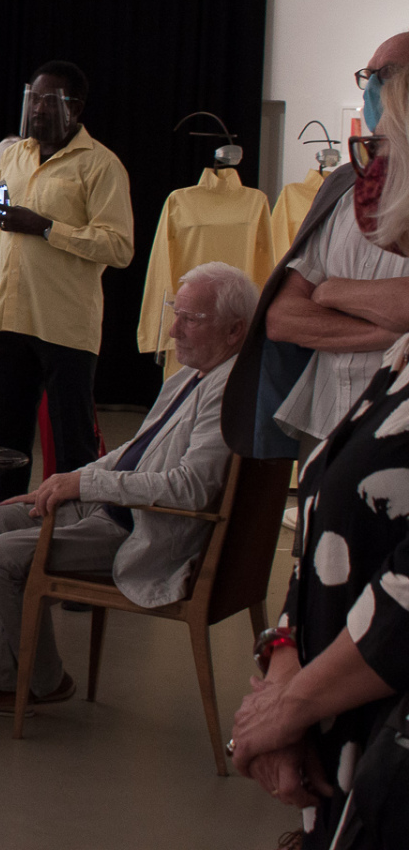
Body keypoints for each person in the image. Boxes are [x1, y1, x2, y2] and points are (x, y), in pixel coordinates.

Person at [0, 262, 254, 716]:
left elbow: (191, 490)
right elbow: (134, 452)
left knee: (3, 556)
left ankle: (27, 683)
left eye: (190, 319)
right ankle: (19, 678)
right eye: (175, 314)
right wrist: (68, 482)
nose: (174, 330)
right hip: (119, 509)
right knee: (1, 519)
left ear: (235, 330)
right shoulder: (193, 375)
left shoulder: (230, 390)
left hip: (147, 530)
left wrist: (87, 482)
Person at [229, 64, 409, 850]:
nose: (370, 176)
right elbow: (281, 317)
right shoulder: (398, 365)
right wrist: (283, 665)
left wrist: (290, 708)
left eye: (386, 152)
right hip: (340, 743)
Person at [225, 32, 409, 466]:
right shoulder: (344, 187)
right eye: (368, 76)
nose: (372, 88)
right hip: (324, 418)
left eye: (386, 74)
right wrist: (391, 331)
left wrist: (330, 292)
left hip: (398, 423)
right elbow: (281, 317)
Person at [0, 60, 134, 549]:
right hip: (8, 317)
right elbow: (0, 210)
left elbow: (119, 247)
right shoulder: (12, 156)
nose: (37, 109)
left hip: (63, 324)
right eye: (33, 98)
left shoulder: (101, 165)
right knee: (5, 448)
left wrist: (44, 226)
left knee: (71, 448)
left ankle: (69, 551)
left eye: (48, 100)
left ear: (74, 108)